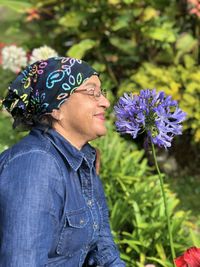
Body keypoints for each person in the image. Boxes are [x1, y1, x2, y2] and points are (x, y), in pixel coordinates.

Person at [0, 57, 126, 267]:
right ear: (55, 108)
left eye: (102, 92)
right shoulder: (35, 167)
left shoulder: (82, 159)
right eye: (91, 91)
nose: (105, 101)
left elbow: (103, 251)